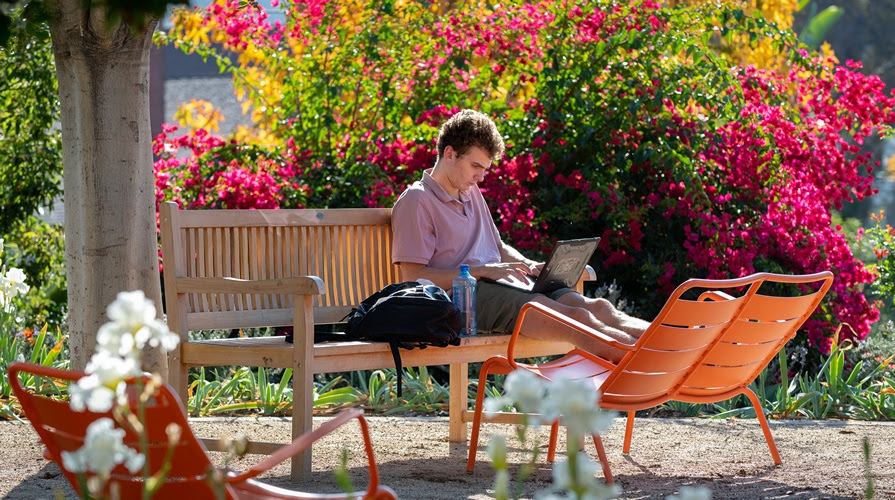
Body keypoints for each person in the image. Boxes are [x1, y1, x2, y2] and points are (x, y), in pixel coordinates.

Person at [390, 109, 649, 362]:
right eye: (475, 166)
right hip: (463, 298)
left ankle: (680, 351)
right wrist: (482, 271)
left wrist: (526, 266)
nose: (480, 176)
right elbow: (413, 277)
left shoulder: (469, 192)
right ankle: (649, 369)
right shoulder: (417, 201)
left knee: (599, 308)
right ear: (450, 154)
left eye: (485, 168)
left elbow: (498, 245)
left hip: (502, 285)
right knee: (577, 319)